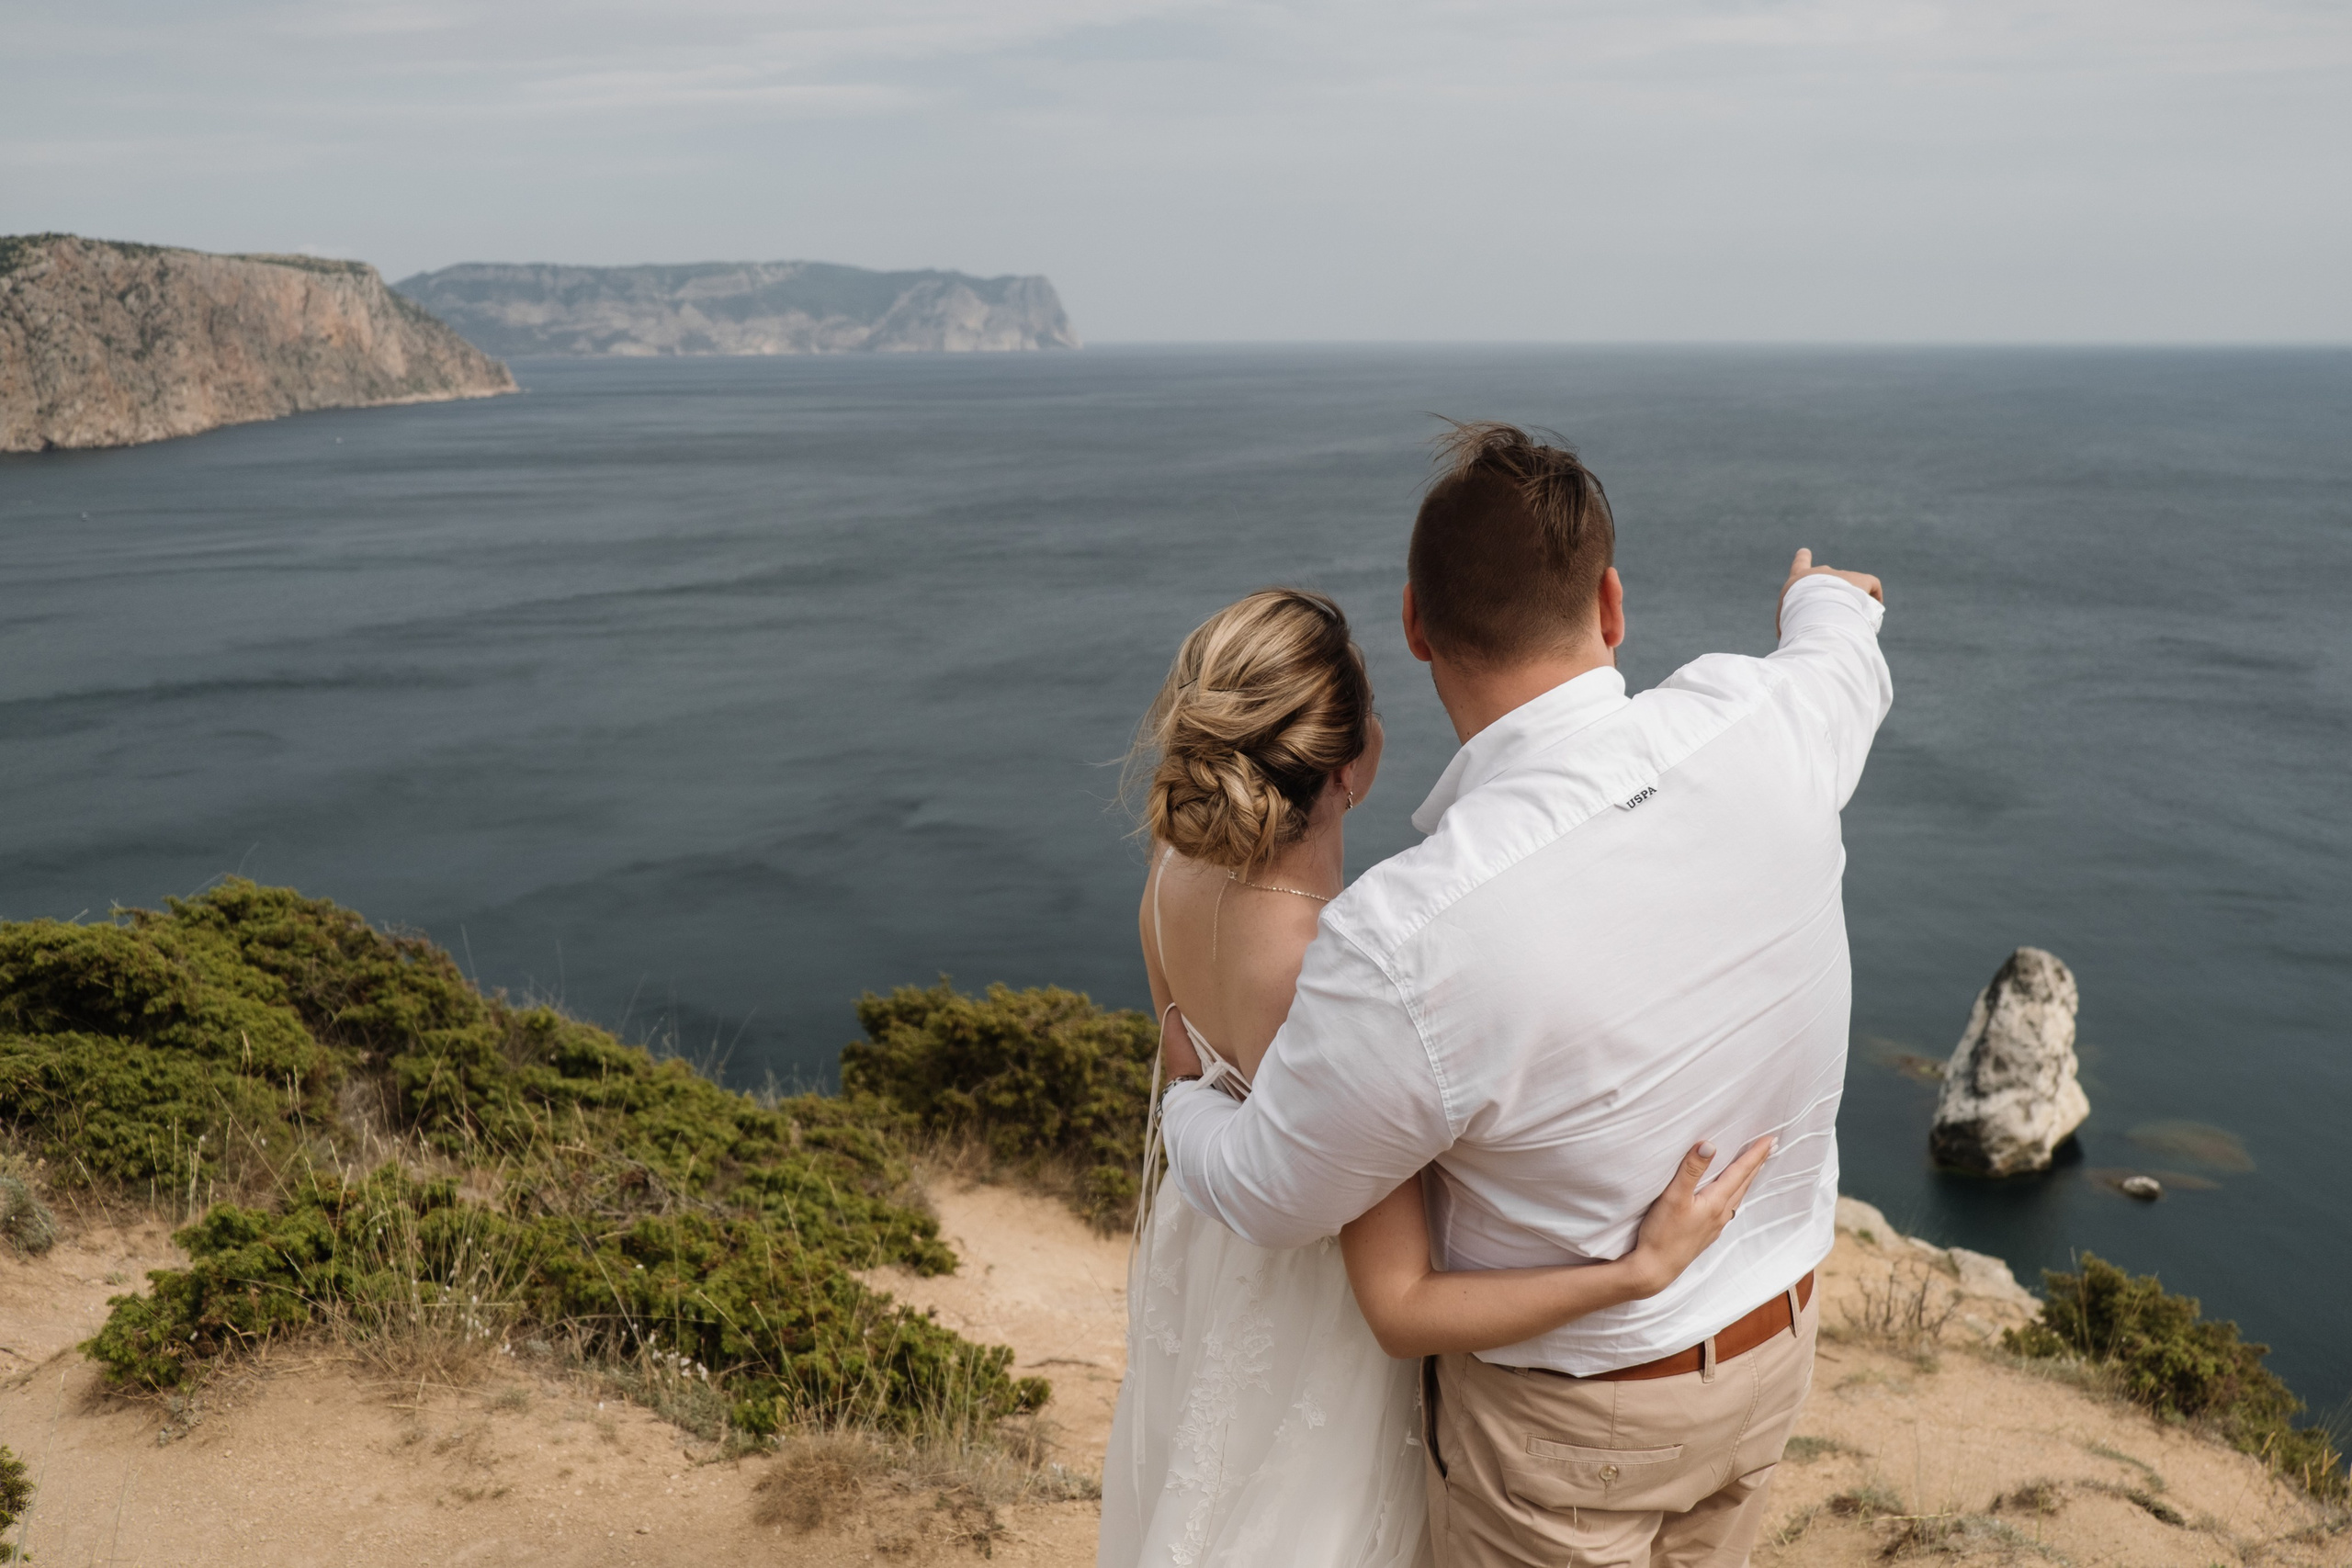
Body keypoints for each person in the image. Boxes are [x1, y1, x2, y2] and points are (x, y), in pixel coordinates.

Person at [1154, 423, 1891, 1567]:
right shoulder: (1768, 721)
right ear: (1610, 603)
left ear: (1413, 626)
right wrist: (1825, 601)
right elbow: (1841, 646)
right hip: (1770, 1356)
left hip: (1570, 1425)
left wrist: (1188, 1093)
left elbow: (1269, 1194)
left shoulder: (1400, 939)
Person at [1097, 585, 1773, 1568]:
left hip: (1204, 1256)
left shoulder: (1170, 867)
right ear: (1356, 764)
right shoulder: (1325, 968)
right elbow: (1401, 1306)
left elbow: (1184, 1071)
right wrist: (1635, 1270)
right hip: (1305, 1313)